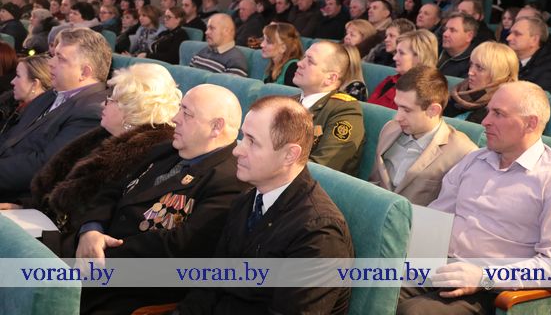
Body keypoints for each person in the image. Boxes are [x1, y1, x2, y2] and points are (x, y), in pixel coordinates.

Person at [397, 81, 551, 315]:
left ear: (530, 123)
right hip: (441, 267)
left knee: (413, 312)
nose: (485, 121)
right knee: (369, 287)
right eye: (488, 111)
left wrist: (484, 277)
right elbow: (438, 216)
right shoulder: (474, 160)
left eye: (498, 114)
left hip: (492, 289)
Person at [75, 84, 247, 314]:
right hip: (92, 252)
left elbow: (181, 247)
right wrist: (91, 230)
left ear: (216, 127)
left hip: (131, 286)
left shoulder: (229, 181)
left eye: (187, 113)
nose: (175, 118)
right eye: (179, 109)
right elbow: (112, 189)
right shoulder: (165, 150)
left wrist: (100, 253)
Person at [176, 95, 354, 315]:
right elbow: (209, 286)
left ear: (289, 155)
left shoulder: (318, 232)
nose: (237, 150)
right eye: (243, 137)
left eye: (252, 141)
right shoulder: (246, 200)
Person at [6, 64, 180, 242]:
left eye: (111, 100)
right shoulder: (105, 135)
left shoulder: (148, 155)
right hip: (47, 225)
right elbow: (55, 186)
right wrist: (23, 206)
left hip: (71, 241)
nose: (103, 103)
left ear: (132, 111)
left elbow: (96, 216)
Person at [0, 28, 111, 201]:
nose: (51, 63)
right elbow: (11, 136)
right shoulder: (52, 94)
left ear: (85, 72)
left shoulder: (93, 112)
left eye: (60, 58)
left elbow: (46, 166)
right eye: (53, 55)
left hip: (20, 196)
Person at [370, 65, 476, 205]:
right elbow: (373, 182)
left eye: (407, 110)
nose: (397, 117)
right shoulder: (389, 129)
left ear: (433, 110)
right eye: (398, 106)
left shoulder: (463, 152)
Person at [293, 41, 365, 175]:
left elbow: (323, 167)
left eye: (310, 61)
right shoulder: (289, 102)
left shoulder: (345, 111)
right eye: (304, 57)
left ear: (331, 78)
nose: (299, 63)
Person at [445, 42, 520, 123]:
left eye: (479, 68)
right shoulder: (461, 91)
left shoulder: (500, 110)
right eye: (471, 65)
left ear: (498, 74)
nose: (470, 72)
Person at [368, 29, 438, 110]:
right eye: (396, 52)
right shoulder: (390, 80)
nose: (394, 58)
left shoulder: (428, 92)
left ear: (419, 57)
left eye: (401, 53)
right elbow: (369, 107)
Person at [507, 16, 551, 93]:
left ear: (534, 40)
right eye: (510, 33)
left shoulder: (549, 71)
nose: (508, 38)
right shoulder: (506, 60)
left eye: (517, 34)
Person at [0, 54, 51, 135]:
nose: (12, 82)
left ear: (34, 84)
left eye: (18, 76)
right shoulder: (8, 108)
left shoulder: (41, 121)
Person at [438, 12, 479, 78]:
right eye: (445, 29)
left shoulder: (474, 63)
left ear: (469, 36)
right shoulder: (434, 49)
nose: (445, 34)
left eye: (452, 30)